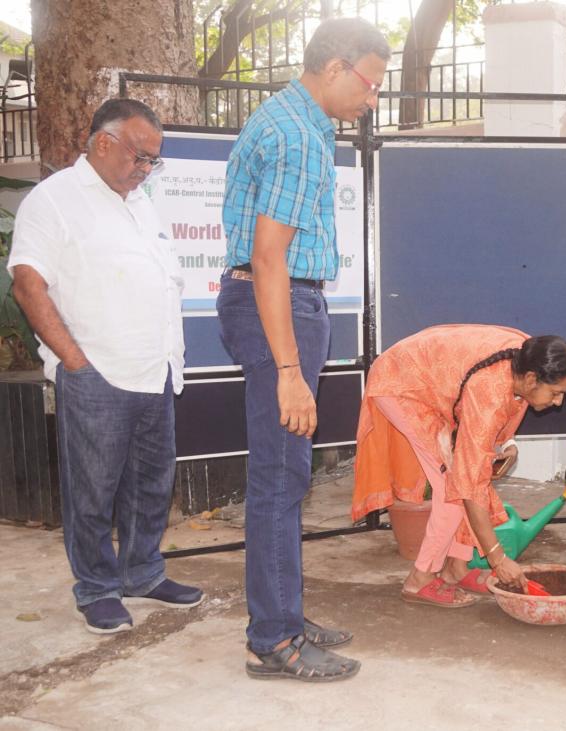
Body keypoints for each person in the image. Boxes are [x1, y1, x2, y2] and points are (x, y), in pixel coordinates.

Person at [216, 17, 390, 682]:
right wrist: (290, 369)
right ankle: (275, 637)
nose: (372, 98)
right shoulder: (296, 134)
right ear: (336, 67)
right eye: (370, 84)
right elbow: (267, 258)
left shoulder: (301, 125)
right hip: (278, 308)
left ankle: (282, 610)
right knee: (280, 478)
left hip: (285, 304)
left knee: (287, 476)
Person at [9, 99, 202, 634]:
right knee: (91, 491)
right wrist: (75, 362)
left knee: (150, 485)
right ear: (102, 143)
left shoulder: (140, 204)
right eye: (139, 157)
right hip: (97, 375)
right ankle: (96, 587)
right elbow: (28, 284)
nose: (145, 170)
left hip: (155, 370)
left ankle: (142, 572)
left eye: (152, 162)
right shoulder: (54, 201)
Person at [352, 326, 566, 606]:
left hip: (425, 382)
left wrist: (503, 443)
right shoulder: (490, 390)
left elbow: (505, 409)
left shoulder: (527, 357)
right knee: (452, 489)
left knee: (466, 479)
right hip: (402, 384)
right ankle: (419, 580)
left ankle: (456, 569)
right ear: (532, 379)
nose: (559, 402)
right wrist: (497, 557)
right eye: (556, 393)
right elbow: (468, 485)